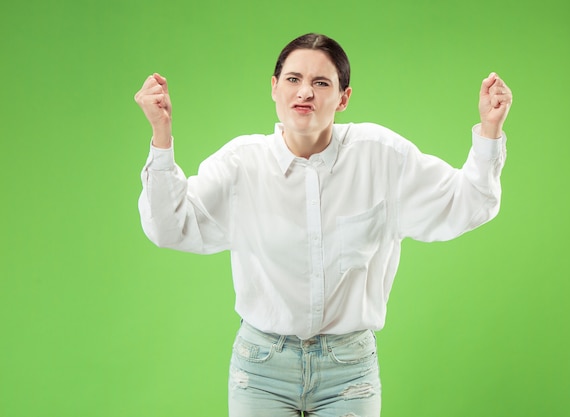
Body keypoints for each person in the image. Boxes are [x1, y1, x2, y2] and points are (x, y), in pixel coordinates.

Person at [135, 33, 512, 417]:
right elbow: (170, 225)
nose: (305, 93)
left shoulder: (381, 157)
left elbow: (467, 202)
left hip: (349, 370)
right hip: (262, 367)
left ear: (343, 97)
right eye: (293, 80)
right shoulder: (241, 165)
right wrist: (161, 136)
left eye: (321, 83)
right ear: (274, 88)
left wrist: (489, 131)